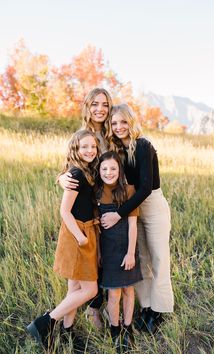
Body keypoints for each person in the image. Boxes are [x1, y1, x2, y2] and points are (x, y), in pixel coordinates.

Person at [101, 103, 174, 334]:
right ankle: (147, 306)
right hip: (131, 207)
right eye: (114, 123)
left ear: (131, 122)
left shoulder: (143, 146)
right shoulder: (117, 151)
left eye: (123, 122)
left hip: (151, 205)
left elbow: (144, 189)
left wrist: (118, 215)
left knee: (159, 257)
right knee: (140, 258)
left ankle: (160, 310)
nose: (119, 127)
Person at [27, 130, 100, 351]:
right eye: (84, 147)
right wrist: (81, 237)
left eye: (93, 147)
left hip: (85, 231)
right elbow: (64, 211)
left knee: (74, 287)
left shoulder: (87, 171)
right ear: (75, 150)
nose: (89, 150)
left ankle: (67, 331)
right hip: (78, 234)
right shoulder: (76, 174)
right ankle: (45, 322)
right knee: (90, 290)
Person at [59, 87, 112, 329]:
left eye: (105, 104)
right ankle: (68, 319)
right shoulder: (82, 137)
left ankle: (69, 325)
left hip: (105, 208)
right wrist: (61, 178)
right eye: (95, 104)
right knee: (82, 280)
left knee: (98, 264)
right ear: (87, 107)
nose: (100, 109)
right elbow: (71, 171)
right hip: (84, 218)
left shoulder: (114, 132)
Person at [96, 151, 142, 352]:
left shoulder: (129, 190)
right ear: (98, 171)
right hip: (108, 250)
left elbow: (133, 225)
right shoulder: (96, 192)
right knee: (113, 293)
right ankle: (115, 329)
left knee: (128, 290)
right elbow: (96, 228)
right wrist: (98, 254)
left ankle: (128, 327)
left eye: (113, 168)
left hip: (126, 248)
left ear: (120, 170)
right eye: (104, 168)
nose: (108, 172)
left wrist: (131, 253)